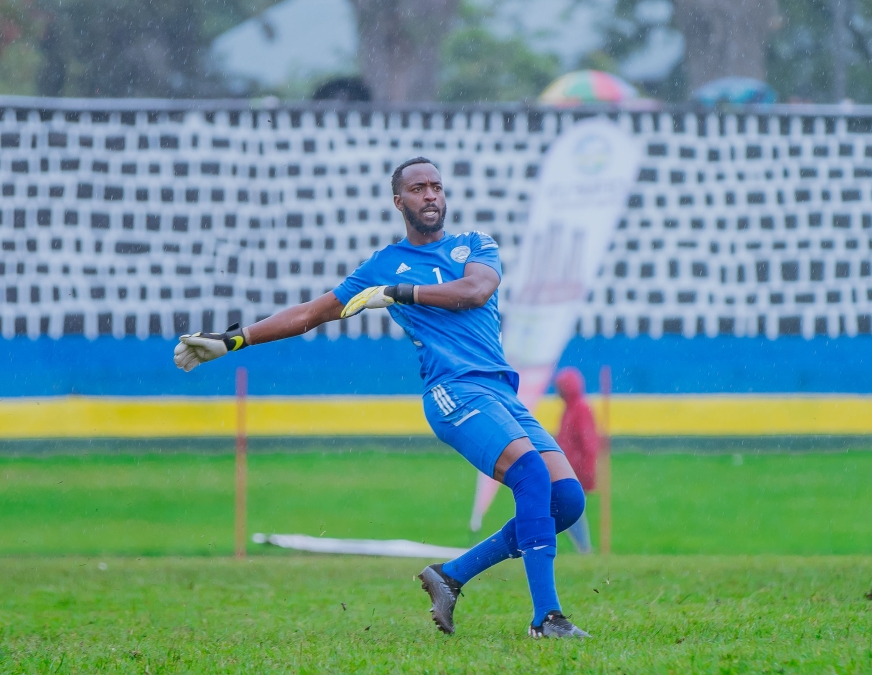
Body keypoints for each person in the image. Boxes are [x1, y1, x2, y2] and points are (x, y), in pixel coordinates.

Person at [172, 157, 589, 639]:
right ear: (400, 202)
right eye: (418, 189)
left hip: (500, 391)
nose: (430, 195)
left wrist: (398, 292)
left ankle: (450, 576)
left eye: (436, 186)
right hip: (453, 393)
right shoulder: (382, 263)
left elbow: (475, 291)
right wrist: (234, 339)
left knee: (566, 499)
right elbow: (314, 311)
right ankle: (547, 619)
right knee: (531, 474)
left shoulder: (474, 244)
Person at [554, 367, 599, 554]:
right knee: (570, 510)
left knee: (570, 510)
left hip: (576, 471)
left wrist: (587, 472)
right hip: (568, 470)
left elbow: (589, 444)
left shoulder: (579, 409)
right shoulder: (571, 409)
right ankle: (583, 548)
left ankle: (584, 548)